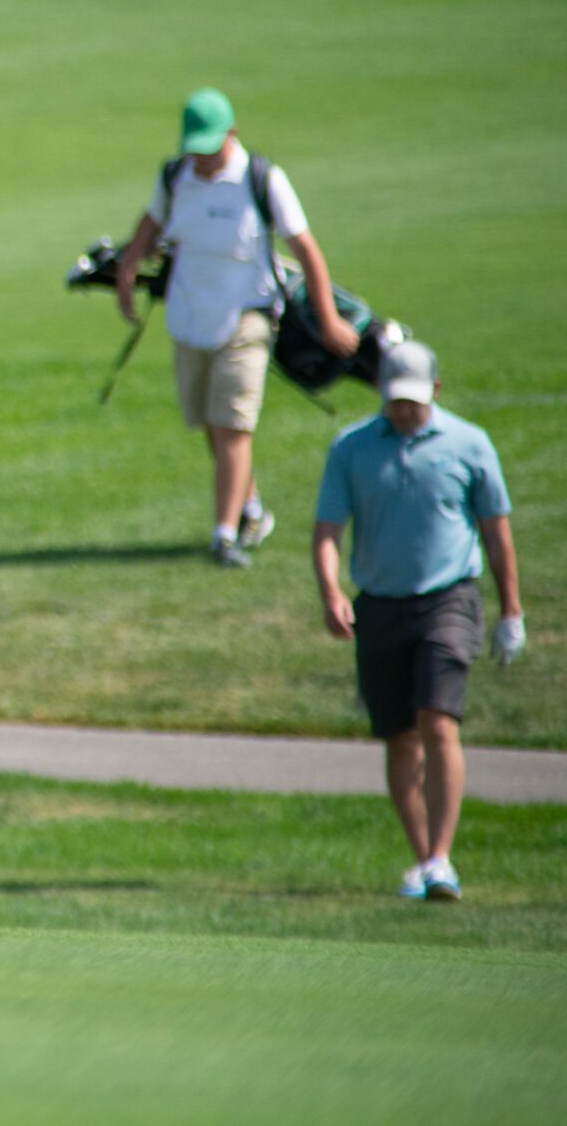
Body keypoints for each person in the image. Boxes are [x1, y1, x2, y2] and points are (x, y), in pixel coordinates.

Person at [313, 339, 525, 902]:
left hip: (448, 598)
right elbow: (328, 529)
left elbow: (495, 533)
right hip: (378, 604)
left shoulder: (469, 444)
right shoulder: (351, 448)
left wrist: (511, 610)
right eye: (393, 400)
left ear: (435, 390)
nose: (403, 411)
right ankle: (422, 857)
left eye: (413, 400)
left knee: (437, 722)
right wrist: (331, 590)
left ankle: (440, 859)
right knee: (399, 737)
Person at [115, 87, 359, 568]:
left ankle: (224, 536)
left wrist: (328, 319)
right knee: (210, 421)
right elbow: (150, 222)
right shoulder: (176, 176)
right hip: (190, 314)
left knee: (232, 426)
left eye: (210, 147)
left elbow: (306, 249)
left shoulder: (261, 179)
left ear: (231, 134)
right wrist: (126, 269)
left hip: (247, 315)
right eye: (195, 148)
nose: (202, 158)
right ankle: (250, 509)